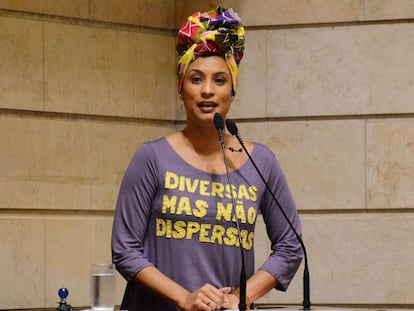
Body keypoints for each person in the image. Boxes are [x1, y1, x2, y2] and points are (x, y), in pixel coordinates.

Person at [111, 7, 303, 311]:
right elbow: (125, 250)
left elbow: (291, 247)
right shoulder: (152, 158)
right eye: (196, 79)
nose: (208, 91)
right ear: (181, 89)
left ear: (233, 90)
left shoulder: (261, 161)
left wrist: (242, 296)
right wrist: (184, 298)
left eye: (220, 80)